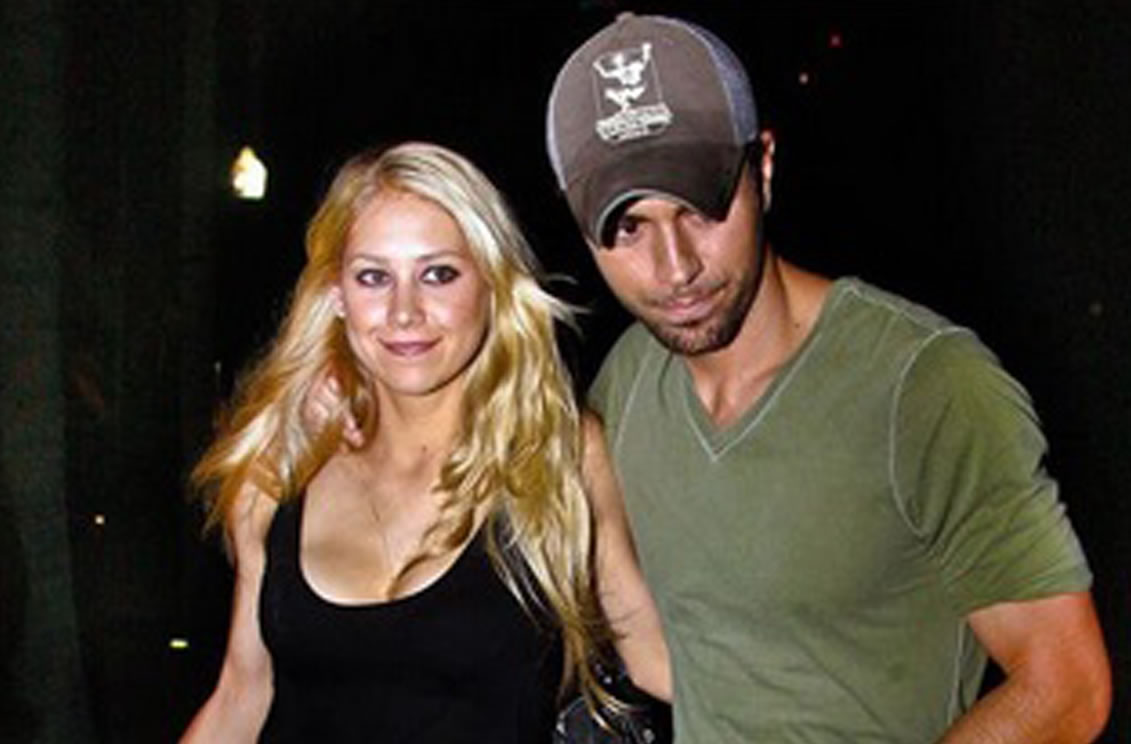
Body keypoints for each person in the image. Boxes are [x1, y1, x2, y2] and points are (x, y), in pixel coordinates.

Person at [544, 13, 1112, 743]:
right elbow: (681, 663)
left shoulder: (925, 386)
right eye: (629, 227)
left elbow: (1066, 689)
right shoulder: (628, 384)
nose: (675, 266)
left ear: (764, 167)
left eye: (701, 207)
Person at [180, 142, 667, 743]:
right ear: (336, 295)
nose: (404, 312)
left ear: (492, 285)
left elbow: (656, 660)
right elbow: (242, 693)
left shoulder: (560, 457)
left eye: (438, 274)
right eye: (373, 277)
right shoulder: (279, 474)